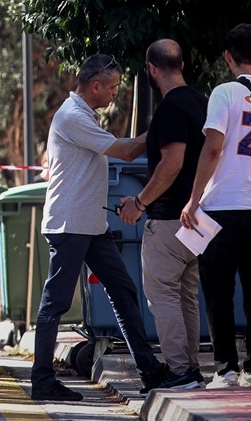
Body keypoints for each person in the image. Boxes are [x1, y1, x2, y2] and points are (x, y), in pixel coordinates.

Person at [31, 53, 168, 402]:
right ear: (95, 86)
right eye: (112, 87)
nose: (114, 93)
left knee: (123, 291)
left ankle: (150, 370)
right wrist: (163, 131)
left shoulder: (82, 115)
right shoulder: (72, 117)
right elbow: (124, 151)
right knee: (55, 304)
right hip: (71, 224)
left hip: (91, 224)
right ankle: (42, 381)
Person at [181, 23, 251, 389]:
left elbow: (213, 148)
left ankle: (226, 370)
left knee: (218, 290)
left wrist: (194, 200)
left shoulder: (224, 93)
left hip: (223, 205)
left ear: (228, 57)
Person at [119, 39, 208, 390]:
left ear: (152, 70)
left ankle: (179, 370)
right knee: (186, 294)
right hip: (199, 217)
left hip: (170, 217)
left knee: (163, 295)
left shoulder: (170, 108)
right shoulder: (202, 103)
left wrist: (139, 203)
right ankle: (191, 368)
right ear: (181, 65)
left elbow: (172, 162)